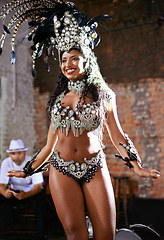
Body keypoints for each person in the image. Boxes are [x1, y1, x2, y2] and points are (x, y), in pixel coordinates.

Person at [0, 1, 160, 240]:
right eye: (63, 60)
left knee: (105, 234)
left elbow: (117, 135)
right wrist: (27, 170)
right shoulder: (57, 100)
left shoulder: (105, 95)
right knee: (76, 236)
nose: (67, 65)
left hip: (95, 166)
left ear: (86, 60)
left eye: (74, 59)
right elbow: (49, 145)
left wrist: (137, 166)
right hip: (61, 169)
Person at [0, 139, 47, 240]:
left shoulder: (32, 163)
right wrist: (4, 193)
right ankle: (6, 231)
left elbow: (38, 186)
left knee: (41, 201)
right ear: (9, 155)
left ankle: (42, 235)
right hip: (14, 191)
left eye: (19, 153)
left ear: (25, 153)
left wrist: (25, 195)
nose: (16, 156)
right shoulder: (6, 162)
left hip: (30, 192)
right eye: (13, 153)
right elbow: (2, 184)